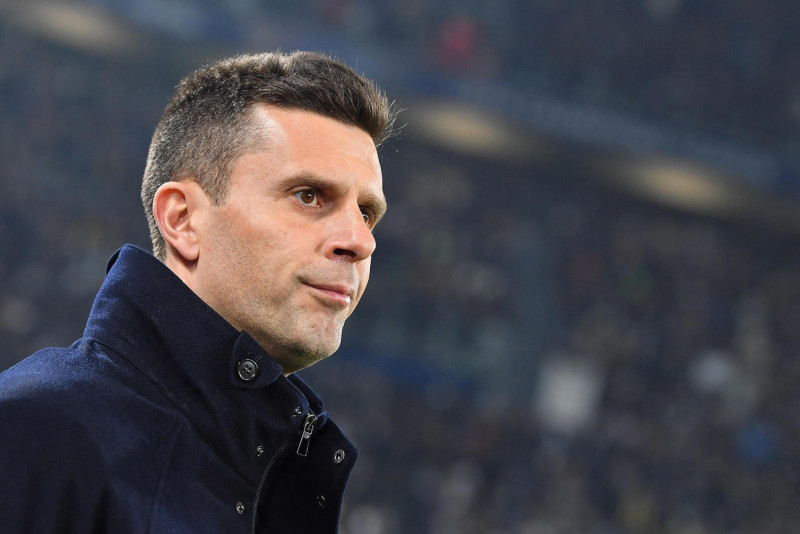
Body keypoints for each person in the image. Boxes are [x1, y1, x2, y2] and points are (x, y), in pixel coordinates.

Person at [0, 50, 397, 533]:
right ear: (183, 220)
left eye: (366, 213)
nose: (360, 241)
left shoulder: (282, 467)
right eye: (309, 196)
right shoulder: (38, 432)